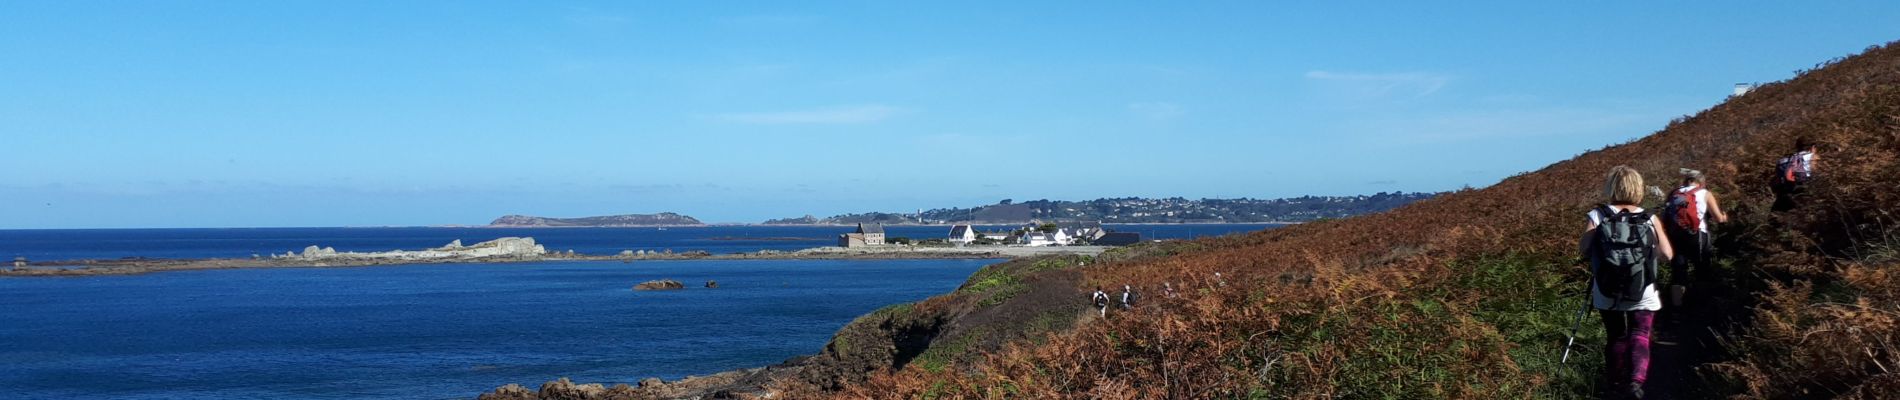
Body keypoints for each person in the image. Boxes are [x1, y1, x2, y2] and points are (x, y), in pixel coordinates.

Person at [1581, 166, 1675, 399]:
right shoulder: (1649, 217)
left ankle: (1613, 384)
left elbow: (1583, 249)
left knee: (1616, 335)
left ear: (1611, 187)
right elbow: (1668, 254)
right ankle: (1635, 382)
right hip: (1642, 286)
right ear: (1638, 188)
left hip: (1606, 288)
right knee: (1640, 333)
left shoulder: (1598, 215)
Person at [1660, 169, 1727, 317]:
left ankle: (1677, 310)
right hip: (1697, 237)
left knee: (1678, 273)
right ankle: (1701, 307)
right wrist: (1724, 217)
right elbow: (1718, 218)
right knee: (1702, 271)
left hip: (1675, 237)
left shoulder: (1673, 194)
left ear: (1686, 180)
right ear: (1701, 181)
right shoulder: (1704, 193)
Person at [1772, 137, 1820, 211]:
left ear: (1797, 147)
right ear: (1813, 147)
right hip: (1810, 197)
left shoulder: (1782, 161)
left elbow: (1778, 182)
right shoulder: (1816, 159)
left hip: (1787, 198)